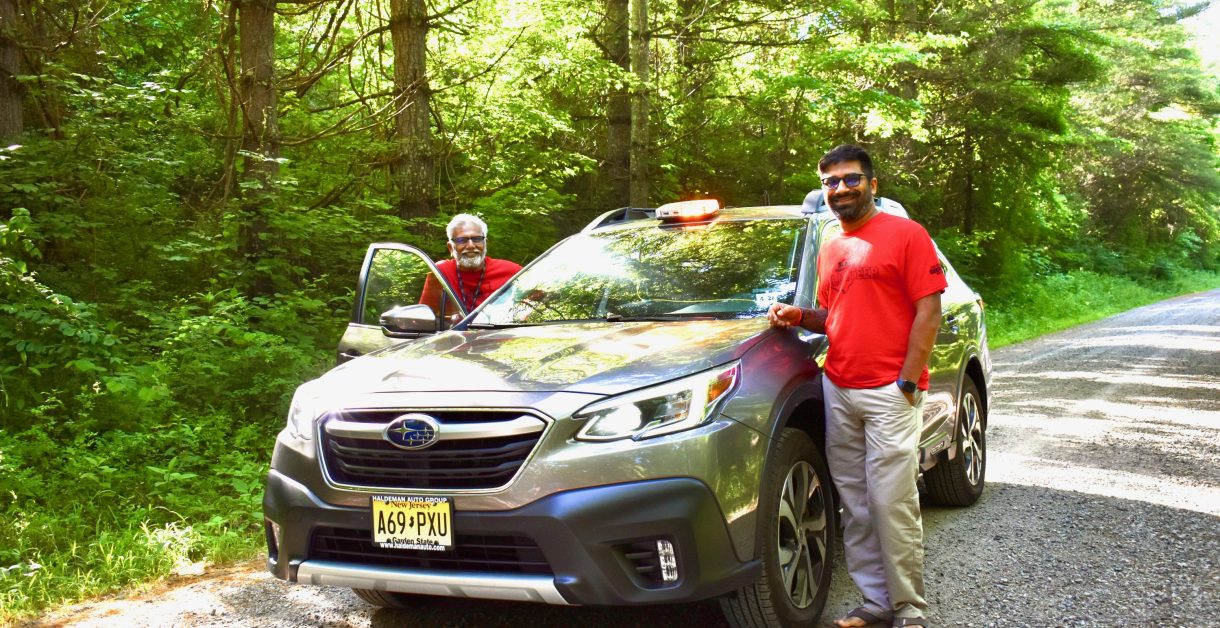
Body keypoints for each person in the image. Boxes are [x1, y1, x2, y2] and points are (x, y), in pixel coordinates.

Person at [767, 145, 945, 628]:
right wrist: (799, 315)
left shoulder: (906, 234)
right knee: (856, 503)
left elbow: (929, 311)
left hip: (891, 391)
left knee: (892, 503)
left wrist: (907, 380)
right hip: (839, 387)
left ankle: (909, 607)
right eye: (831, 182)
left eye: (851, 179)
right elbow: (833, 314)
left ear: (872, 184)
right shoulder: (831, 245)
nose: (841, 188)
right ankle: (875, 602)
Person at [420, 213, 521, 317]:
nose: (471, 246)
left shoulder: (512, 272)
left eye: (477, 239)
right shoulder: (440, 273)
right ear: (450, 247)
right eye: (461, 240)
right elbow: (424, 317)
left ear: (485, 243)